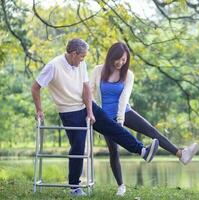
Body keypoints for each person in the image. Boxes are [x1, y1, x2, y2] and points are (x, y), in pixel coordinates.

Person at [31, 39, 159, 197]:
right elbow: (36, 87)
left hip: (87, 105)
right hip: (69, 111)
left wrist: (91, 111)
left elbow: (86, 88)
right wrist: (39, 109)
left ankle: (142, 150)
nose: (83, 60)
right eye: (82, 57)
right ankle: (74, 187)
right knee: (78, 147)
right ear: (73, 54)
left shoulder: (81, 64)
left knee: (113, 127)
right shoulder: (53, 66)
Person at [90, 42, 199, 196]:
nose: (121, 63)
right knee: (113, 151)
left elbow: (124, 97)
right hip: (105, 117)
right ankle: (121, 187)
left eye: (124, 60)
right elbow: (91, 93)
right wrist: (96, 115)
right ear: (111, 57)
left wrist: (120, 120)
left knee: (152, 131)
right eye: (119, 59)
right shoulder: (98, 71)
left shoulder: (128, 74)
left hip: (124, 111)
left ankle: (181, 154)